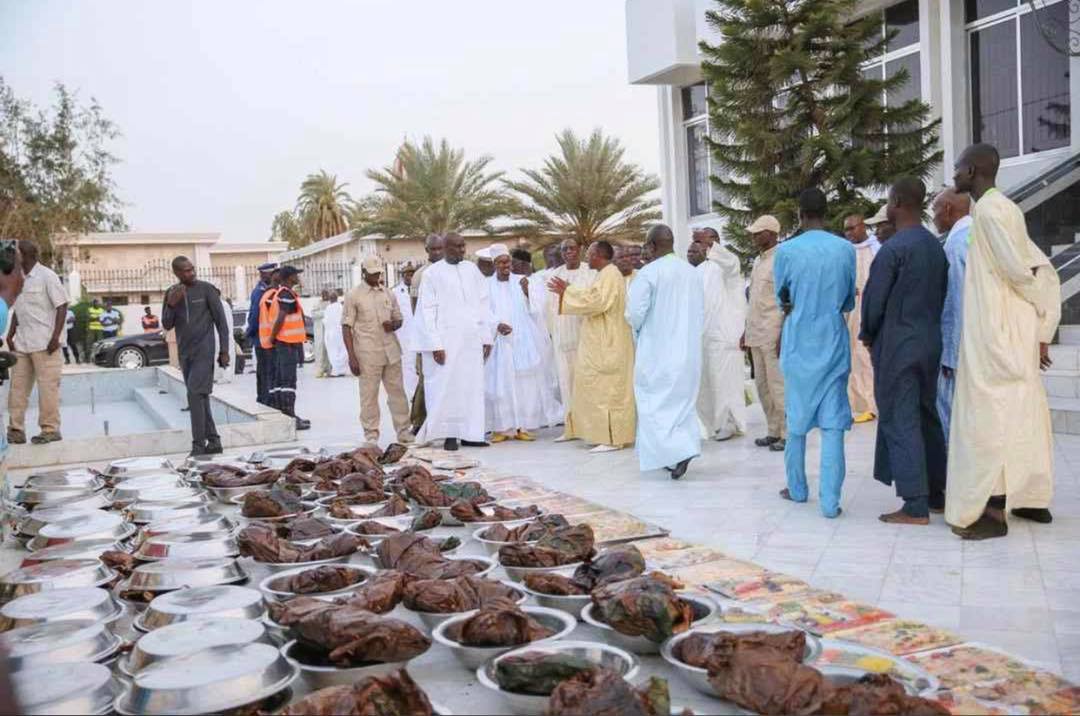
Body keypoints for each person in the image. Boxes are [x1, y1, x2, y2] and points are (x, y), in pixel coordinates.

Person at [947, 143, 1061, 539]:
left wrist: (1040, 319)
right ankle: (1031, 498)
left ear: (975, 170)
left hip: (998, 330)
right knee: (1025, 412)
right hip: (1008, 326)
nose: (954, 173)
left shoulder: (993, 211)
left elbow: (1022, 270)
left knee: (988, 418)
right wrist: (1039, 326)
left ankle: (993, 512)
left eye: (959, 167)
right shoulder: (997, 208)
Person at [859, 177, 949, 525]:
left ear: (896, 202)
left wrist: (868, 334)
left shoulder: (895, 249)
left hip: (898, 345)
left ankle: (915, 503)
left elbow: (874, 301)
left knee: (900, 417)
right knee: (927, 415)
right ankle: (938, 493)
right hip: (929, 340)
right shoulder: (933, 245)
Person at [773, 189, 856, 518]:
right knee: (833, 424)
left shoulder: (786, 252)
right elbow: (849, 300)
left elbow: (783, 299)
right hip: (833, 341)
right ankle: (829, 503)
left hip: (798, 343)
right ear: (827, 211)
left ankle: (797, 489)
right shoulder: (845, 249)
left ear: (799, 213)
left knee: (796, 422)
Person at [626, 225, 704, 479]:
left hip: (657, 351)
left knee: (654, 403)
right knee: (682, 403)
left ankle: (676, 452)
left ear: (652, 245)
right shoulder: (691, 272)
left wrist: (637, 329)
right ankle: (684, 448)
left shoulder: (648, 273)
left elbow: (635, 313)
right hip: (688, 351)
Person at [548, 240, 635, 452]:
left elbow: (597, 302)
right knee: (596, 388)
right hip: (600, 341)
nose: (587, 258)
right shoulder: (603, 274)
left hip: (610, 342)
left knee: (609, 390)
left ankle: (613, 439)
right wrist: (569, 290)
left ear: (599, 255)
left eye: (590, 254)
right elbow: (592, 295)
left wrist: (567, 293)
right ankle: (600, 434)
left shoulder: (611, 274)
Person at [411, 232, 493, 451]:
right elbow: (426, 312)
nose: (463, 250)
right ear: (446, 248)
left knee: (471, 386)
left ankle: (472, 433)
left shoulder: (471, 270)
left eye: (464, 246)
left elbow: (483, 304)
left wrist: (486, 337)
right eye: (458, 246)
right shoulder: (432, 274)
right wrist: (435, 345)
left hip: (471, 340)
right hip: (446, 342)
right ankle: (449, 435)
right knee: (447, 387)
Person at [484, 244, 557, 442]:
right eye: (500, 262)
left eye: (507, 261)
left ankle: (522, 427)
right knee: (500, 386)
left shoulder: (523, 281)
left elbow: (538, 308)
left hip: (521, 340)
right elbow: (482, 311)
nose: (504, 265)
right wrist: (496, 325)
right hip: (499, 341)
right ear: (494, 264)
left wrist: (527, 292)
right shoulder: (486, 285)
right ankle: (501, 428)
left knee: (523, 385)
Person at [161, 256, 230, 456]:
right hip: (185, 354)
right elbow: (167, 324)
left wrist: (224, 350)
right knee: (200, 397)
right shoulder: (171, 293)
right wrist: (172, 305)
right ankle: (214, 441)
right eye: (185, 271)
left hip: (204, 351)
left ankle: (198, 446)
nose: (191, 273)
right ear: (176, 273)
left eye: (192, 269)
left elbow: (222, 324)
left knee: (193, 394)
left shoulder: (206, 289)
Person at [342, 255, 414, 446]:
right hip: (367, 354)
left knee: (398, 393)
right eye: (372, 274)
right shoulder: (354, 295)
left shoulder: (388, 294)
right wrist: (352, 358)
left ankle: (403, 430)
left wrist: (394, 325)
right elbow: (346, 327)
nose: (376, 278)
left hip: (391, 351)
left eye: (379, 274)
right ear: (364, 273)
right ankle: (371, 434)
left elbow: (399, 318)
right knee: (369, 396)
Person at [6, 240, 68, 445]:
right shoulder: (18, 278)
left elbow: (62, 306)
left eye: (15, 253)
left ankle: (50, 429)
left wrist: (55, 337)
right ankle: (16, 430)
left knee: (47, 388)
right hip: (22, 343)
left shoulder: (47, 276)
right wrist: (11, 333)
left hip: (45, 344)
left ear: (24, 255)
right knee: (17, 388)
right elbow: (19, 308)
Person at [694, 232, 748, 441]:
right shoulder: (700, 270)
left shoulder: (728, 265)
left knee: (726, 383)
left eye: (711, 239)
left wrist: (711, 244)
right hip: (704, 336)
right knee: (706, 384)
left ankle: (730, 424)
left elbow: (730, 263)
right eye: (702, 240)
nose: (706, 243)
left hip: (725, 336)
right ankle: (712, 425)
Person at [742, 215, 786, 451]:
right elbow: (755, 300)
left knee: (778, 385)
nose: (754, 236)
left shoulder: (780, 260)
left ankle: (787, 433)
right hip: (755, 333)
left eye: (759, 232)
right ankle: (773, 430)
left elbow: (787, 300)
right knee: (762, 386)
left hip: (773, 332)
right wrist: (745, 331)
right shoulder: (759, 261)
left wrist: (783, 334)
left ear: (772, 233)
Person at [932, 187, 972, 440]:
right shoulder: (980, 235)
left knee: (950, 420)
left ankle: (952, 477)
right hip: (980, 344)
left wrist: (949, 355)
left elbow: (955, 303)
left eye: (934, 210)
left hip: (957, 352)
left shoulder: (955, 246)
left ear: (947, 209)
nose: (933, 217)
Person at [547, 239, 596, 438]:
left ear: (580, 250)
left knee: (586, 382)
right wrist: (553, 332)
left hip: (585, 335)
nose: (569, 252)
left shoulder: (591, 272)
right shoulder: (554, 275)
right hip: (562, 336)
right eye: (564, 249)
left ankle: (590, 427)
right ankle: (571, 428)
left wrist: (569, 291)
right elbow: (549, 308)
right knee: (566, 383)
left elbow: (592, 299)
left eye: (572, 248)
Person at [513, 248, 563, 428]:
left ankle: (541, 414)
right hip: (516, 339)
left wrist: (527, 292)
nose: (512, 267)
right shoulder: (509, 282)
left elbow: (540, 308)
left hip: (536, 335)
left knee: (540, 377)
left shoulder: (536, 281)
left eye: (516, 263)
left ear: (525, 264)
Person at [261, 266, 310, 430]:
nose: (298, 277)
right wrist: (274, 337)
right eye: (296, 274)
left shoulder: (282, 293)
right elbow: (281, 318)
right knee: (288, 381)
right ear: (290, 277)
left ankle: (285, 416)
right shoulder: (286, 294)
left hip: (285, 343)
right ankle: (290, 417)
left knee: (281, 381)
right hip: (286, 343)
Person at [842, 213, 879, 423]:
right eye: (846, 230)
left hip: (869, 310)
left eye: (852, 228)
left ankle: (870, 404)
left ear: (863, 226)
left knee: (865, 358)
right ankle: (857, 404)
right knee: (854, 358)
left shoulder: (875, 249)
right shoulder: (847, 252)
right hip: (851, 312)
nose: (849, 233)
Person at [409, 234, 445, 433]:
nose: (438, 253)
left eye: (441, 248)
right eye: (434, 249)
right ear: (427, 250)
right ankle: (418, 421)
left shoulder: (449, 270)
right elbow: (417, 310)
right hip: (427, 337)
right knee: (425, 378)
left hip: (448, 335)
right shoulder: (421, 275)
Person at [246, 262, 278, 406]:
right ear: (264, 275)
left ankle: (263, 397)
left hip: (264, 337)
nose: (274, 276)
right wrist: (250, 332)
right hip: (262, 338)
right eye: (271, 274)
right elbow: (254, 315)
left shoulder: (266, 289)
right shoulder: (260, 291)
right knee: (266, 370)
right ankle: (265, 398)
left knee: (264, 369)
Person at [393, 264, 418, 398]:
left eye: (412, 274)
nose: (410, 276)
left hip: (418, 333)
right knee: (407, 365)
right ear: (402, 276)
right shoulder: (396, 292)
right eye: (407, 274)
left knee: (418, 365)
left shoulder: (420, 289)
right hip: (404, 334)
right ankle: (411, 395)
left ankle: (418, 394)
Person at [323, 290, 349, 377]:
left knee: (333, 352)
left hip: (331, 334)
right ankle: (341, 370)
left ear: (330, 299)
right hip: (340, 333)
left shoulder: (328, 308)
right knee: (343, 350)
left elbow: (325, 321)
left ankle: (336, 370)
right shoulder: (341, 307)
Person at [311, 289, 332, 378]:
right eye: (323, 294)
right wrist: (324, 312)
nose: (325, 296)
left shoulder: (331, 304)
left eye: (326, 294)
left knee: (329, 350)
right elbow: (313, 314)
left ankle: (329, 370)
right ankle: (319, 370)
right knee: (319, 350)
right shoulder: (317, 304)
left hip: (329, 332)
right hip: (319, 331)